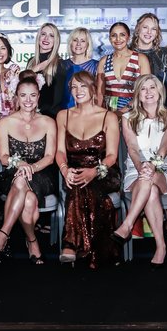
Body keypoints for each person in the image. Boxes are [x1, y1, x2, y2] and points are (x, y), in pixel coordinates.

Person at [113, 74, 167, 268]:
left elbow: (166, 146)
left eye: (152, 87)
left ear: (160, 91)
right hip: (136, 173)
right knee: (149, 188)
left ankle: (127, 224)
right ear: (138, 95)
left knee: (150, 178)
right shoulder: (127, 118)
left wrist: (152, 164)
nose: (148, 92)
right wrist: (142, 167)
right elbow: (132, 149)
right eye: (143, 89)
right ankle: (161, 246)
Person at [0, 76, 58, 265]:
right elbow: (3, 156)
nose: (28, 100)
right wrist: (20, 165)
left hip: (41, 172)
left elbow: (50, 157)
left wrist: (31, 167)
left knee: (21, 181)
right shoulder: (5, 122)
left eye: (32, 95)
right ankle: (32, 241)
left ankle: (2, 235)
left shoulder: (48, 122)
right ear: (16, 97)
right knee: (29, 199)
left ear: (38, 97)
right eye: (23, 95)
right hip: (13, 171)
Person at [55, 71, 121, 268]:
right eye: (74, 87)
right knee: (78, 182)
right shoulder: (63, 115)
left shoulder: (108, 117)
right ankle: (93, 250)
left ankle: (70, 244)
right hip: (73, 169)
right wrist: (65, 169)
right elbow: (59, 151)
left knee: (87, 185)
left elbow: (112, 156)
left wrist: (94, 171)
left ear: (92, 89)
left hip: (103, 170)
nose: (78, 90)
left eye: (82, 86)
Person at [96, 22, 150, 114]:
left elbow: (146, 90)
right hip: (109, 113)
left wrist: (124, 110)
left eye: (122, 35)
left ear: (128, 37)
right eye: (114, 35)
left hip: (134, 112)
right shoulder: (103, 61)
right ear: (109, 38)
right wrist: (99, 115)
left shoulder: (141, 59)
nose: (118, 39)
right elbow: (100, 93)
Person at [25, 22, 68, 117]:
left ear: (56, 41)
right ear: (38, 37)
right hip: (29, 116)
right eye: (43, 34)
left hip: (48, 118)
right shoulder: (31, 62)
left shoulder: (60, 64)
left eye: (51, 35)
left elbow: (57, 100)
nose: (46, 38)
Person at [62, 27, 98, 109]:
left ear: (87, 44)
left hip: (88, 112)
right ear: (71, 43)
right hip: (64, 111)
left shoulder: (96, 65)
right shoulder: (62, 65)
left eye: (82, 41)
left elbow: (99, 94)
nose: (78, 44)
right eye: (75, 40)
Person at [131, 13, 167, 78]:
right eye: (145, 27)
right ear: (138, 29)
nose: (149, 32)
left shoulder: (165, 54)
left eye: (153, 29)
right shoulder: (126, 53)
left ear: (157, 32)